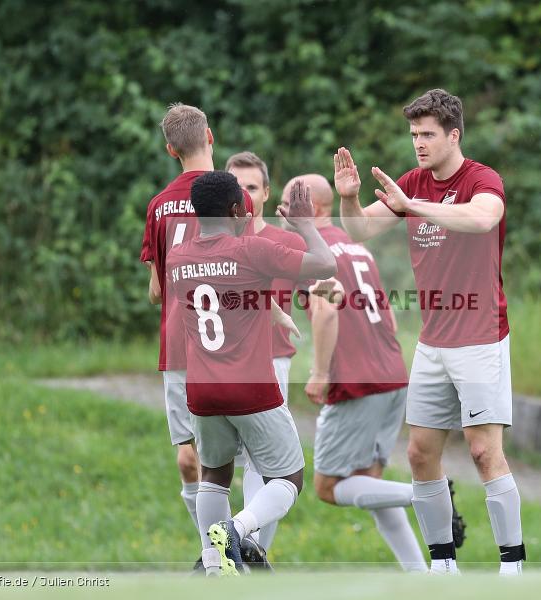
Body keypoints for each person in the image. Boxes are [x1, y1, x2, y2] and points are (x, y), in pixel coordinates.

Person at [335, 89, 525, 575]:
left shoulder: (482, 179)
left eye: (428, 135)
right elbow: (359, 231)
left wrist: (414, 205)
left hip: (481, 336)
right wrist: (351, 198)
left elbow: (483, 218)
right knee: (420, 454)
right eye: (414, 134)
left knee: (484, 452)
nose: (418, 143)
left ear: (453, 134)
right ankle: (443, 568)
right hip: (434, 341)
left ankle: (512, 568)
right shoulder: (412, 183)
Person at [140, 104, 295, 562]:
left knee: (197, 463)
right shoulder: (238, 200)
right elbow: (247, 269)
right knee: (258, 460)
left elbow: (156, 291)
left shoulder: (157, 206)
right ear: (211, 135)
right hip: (233, 344)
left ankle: (214, 559)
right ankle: (244, 549)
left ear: (170, 149)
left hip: (181, 345)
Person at [166, 172, 336, 576]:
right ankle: (237, 530)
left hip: (202, 390)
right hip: (251, 387)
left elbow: (224, 298)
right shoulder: (252, 250)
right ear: (237, 210)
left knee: (215, 475)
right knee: (288, 476)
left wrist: (269, 309)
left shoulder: (178, 258)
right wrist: (306, 225)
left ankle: (213, 566)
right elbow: (326, 263)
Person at [281, 174, 428, 572]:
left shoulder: (312, 249)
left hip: (357, 382)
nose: (283, 215)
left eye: (289, 205)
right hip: (392, 375)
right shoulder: (357, 247)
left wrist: (320, 372)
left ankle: (427, 496)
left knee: (328, 487)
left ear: (314, 210)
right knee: (369, 482)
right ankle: (423, 578)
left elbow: (327, 310)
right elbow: (392, 321)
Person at [225, 150, 307, 552]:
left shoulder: (284, 241)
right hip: (219, 364)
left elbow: (318, 287)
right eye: (236, 186)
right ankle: (240, 544)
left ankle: (248, 546)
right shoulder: (212, 241)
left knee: (265, 463)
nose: (243, 194)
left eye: (252, 187)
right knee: (222, 466)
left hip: (271, 362)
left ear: (267, 192)